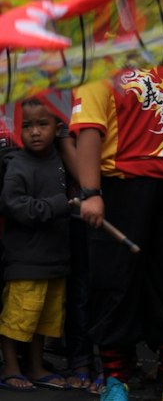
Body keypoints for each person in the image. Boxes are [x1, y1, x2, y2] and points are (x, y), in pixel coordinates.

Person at [71, 67, 163, 401]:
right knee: (115, 283)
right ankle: (116, 378)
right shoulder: (99, 69)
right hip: (122, 188)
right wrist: (91, 192)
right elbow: (88, 131)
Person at [0, 100, 72, 391]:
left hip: (54, 256)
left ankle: (36, 365)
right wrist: (55, 206)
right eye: (26, 126)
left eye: (42, 124)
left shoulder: (59, 159)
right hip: (25, 259)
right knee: (18, 318)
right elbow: (12, 204)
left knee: (45, 318)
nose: (35, 132)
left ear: (57, 127)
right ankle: (11, 367)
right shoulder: (17, 165)